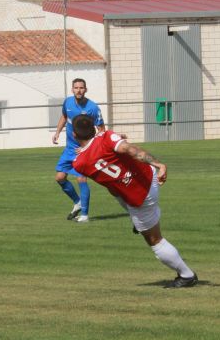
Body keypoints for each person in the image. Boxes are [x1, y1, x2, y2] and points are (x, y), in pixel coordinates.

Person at [71, 114, 198, 288]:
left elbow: (95, 158)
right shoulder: (106, 136)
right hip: (148, 176)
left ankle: (187, 275)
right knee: (117, 192)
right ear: (94, 128)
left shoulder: (79, 164)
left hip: (140, 197)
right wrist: (158, 165)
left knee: (155, 240)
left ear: (74, 135)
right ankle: (136, 218)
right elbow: (130, 150)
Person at [52, 78, 105, 223]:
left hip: (83, 151)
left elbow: (101, 130)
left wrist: (88, 147)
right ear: (72, 90)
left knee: (81, 178)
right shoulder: (68, 102)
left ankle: (85, 216)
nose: (79, 90)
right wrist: (57, 132)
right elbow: (64, 116)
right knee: (60, 178)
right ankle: (78, 202)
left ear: (85, 89)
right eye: (76, 88)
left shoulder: (93, 108)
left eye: (81, 88)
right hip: (69, 149)